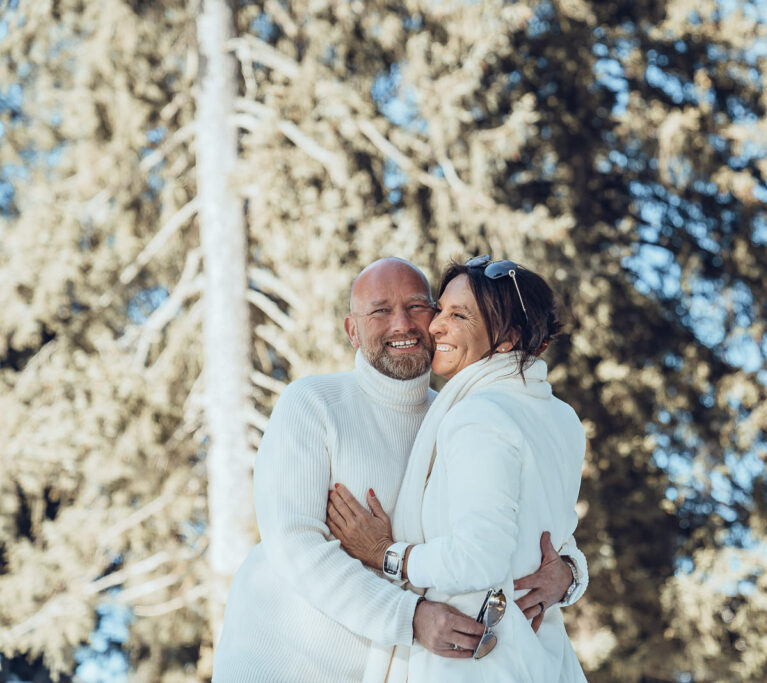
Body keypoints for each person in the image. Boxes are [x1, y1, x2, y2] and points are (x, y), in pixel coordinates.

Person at [212, 257, 585, 682]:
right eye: (380, 311)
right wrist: (410, 618)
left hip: (383, 670)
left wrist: (569, 575)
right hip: (285, 663)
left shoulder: (457, 416)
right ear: (352, 330)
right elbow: (294, 545)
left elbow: (524, 519)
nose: (402, 324)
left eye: (417, 307)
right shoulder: (314, 403)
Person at [328, 256, 588, 682]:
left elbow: (478, 558)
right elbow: (545, 533)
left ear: (507, 339)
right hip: (543, 658)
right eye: (441, 309)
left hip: (474, 660)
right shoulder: (560, 417)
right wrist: (572, 573)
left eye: (459, 315)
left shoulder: (480, 415)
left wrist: (387, 555)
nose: (434, 326)